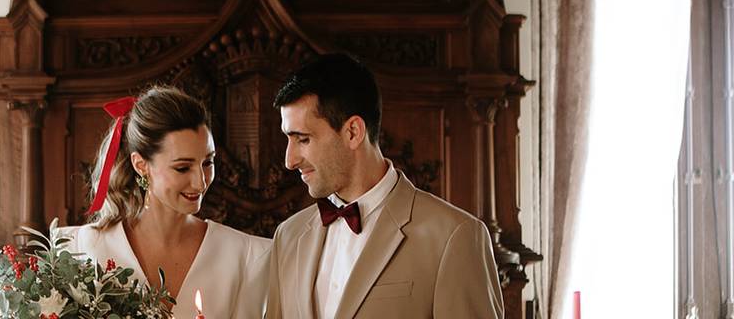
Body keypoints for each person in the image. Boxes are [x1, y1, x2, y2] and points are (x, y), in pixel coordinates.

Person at [265, 53, 504, 319]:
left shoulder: (454, 237)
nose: (289, 160)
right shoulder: (288, 236)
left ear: (353, 132)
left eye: (303, 139)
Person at [60, 86, 270, 319]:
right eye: (182, 167)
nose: (200, 183)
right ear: (141, 165)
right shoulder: (79, 249)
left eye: (207, 163)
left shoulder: (247, 256)